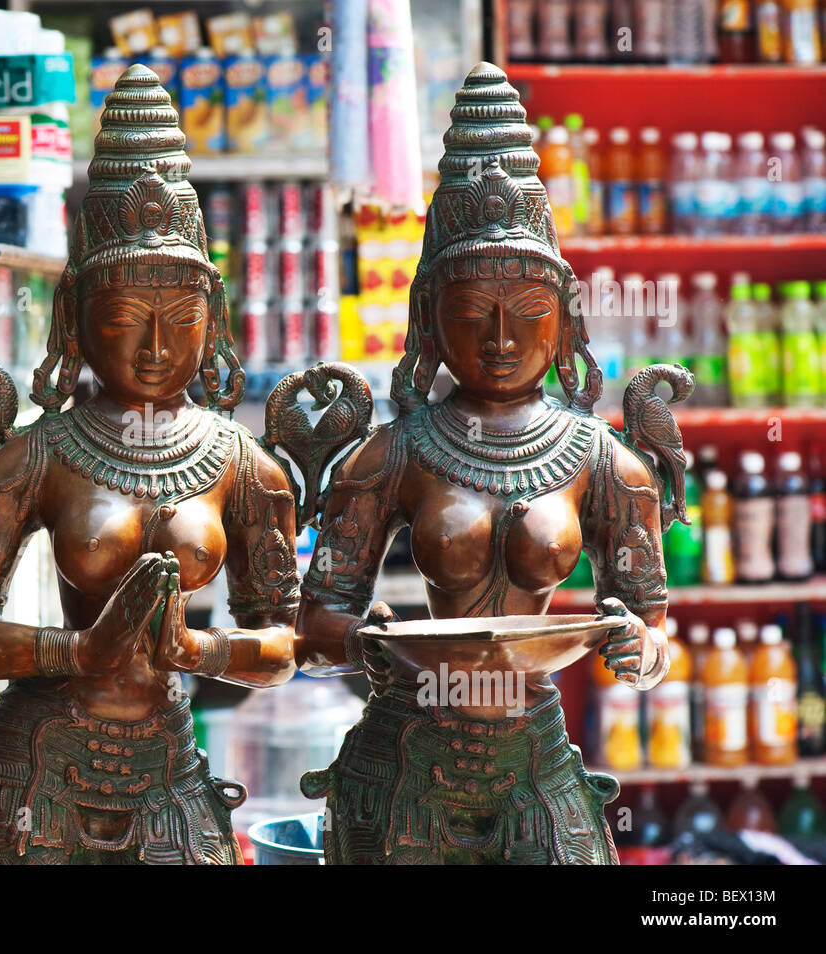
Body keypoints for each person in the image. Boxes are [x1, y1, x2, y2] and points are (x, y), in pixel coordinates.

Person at [295, 63, 689, 865]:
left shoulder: (603, 460)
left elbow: (651, 627)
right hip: (406, 745)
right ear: (430, 320)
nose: (502, 338)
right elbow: (315, 628)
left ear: (565, 320)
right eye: (473, 312)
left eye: (528, 312)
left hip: (531, 744)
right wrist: (365, 640)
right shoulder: (396, 451)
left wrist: (638, 646)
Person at [0, 66, 300, 864]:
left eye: (181, 319)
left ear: (214, 319)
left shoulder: (242, 464)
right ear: (75, 318)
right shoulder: (36, 456)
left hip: (167, 762)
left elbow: (282, 646)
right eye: (126, 318)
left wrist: (198, 652)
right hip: (34, 766)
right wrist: (78, 652)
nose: (156, 347)